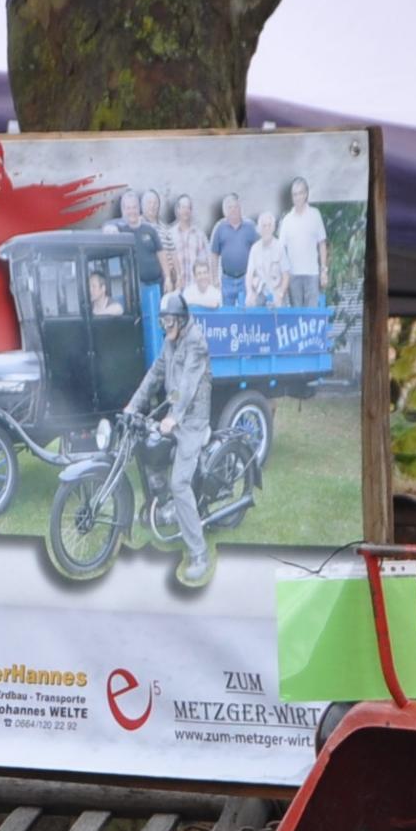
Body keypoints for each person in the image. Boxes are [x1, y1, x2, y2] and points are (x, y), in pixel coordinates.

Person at [154, 288, 218, 591]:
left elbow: (189, 384)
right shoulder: (171, 340)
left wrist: (174, 416)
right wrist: (132, 404)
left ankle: (199, 553)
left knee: (179, 482)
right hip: (176, 413)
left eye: (169, 321)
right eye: (162, 321)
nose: (165, 326)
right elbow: (155, 372)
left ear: (180, 319)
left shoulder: (196, 342)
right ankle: (167, 509)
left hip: (193, 418)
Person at [274, 178, 328, 308]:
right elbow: (280, 250)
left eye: (300, 193)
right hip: (293, 276)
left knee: (311, 315)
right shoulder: (287, 220)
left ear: (306, 194)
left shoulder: (315, 215)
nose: (297, 197)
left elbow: (322, 244)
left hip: (312, 274)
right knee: (296, 316)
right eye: (294, 194)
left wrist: (324, 271)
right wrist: (281, 277)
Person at [211, 193, 260, 308]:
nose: (233, 210)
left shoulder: (250, 227)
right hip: (227, 280)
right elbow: (214, 254)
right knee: (228, 312)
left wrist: (256, 276)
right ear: (226, 211)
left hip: (245, 279)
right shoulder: (220, 228)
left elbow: (258, 252)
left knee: (246, 311)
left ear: (240, 208)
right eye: (230, 207)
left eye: (236, 207)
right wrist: (215, 278)